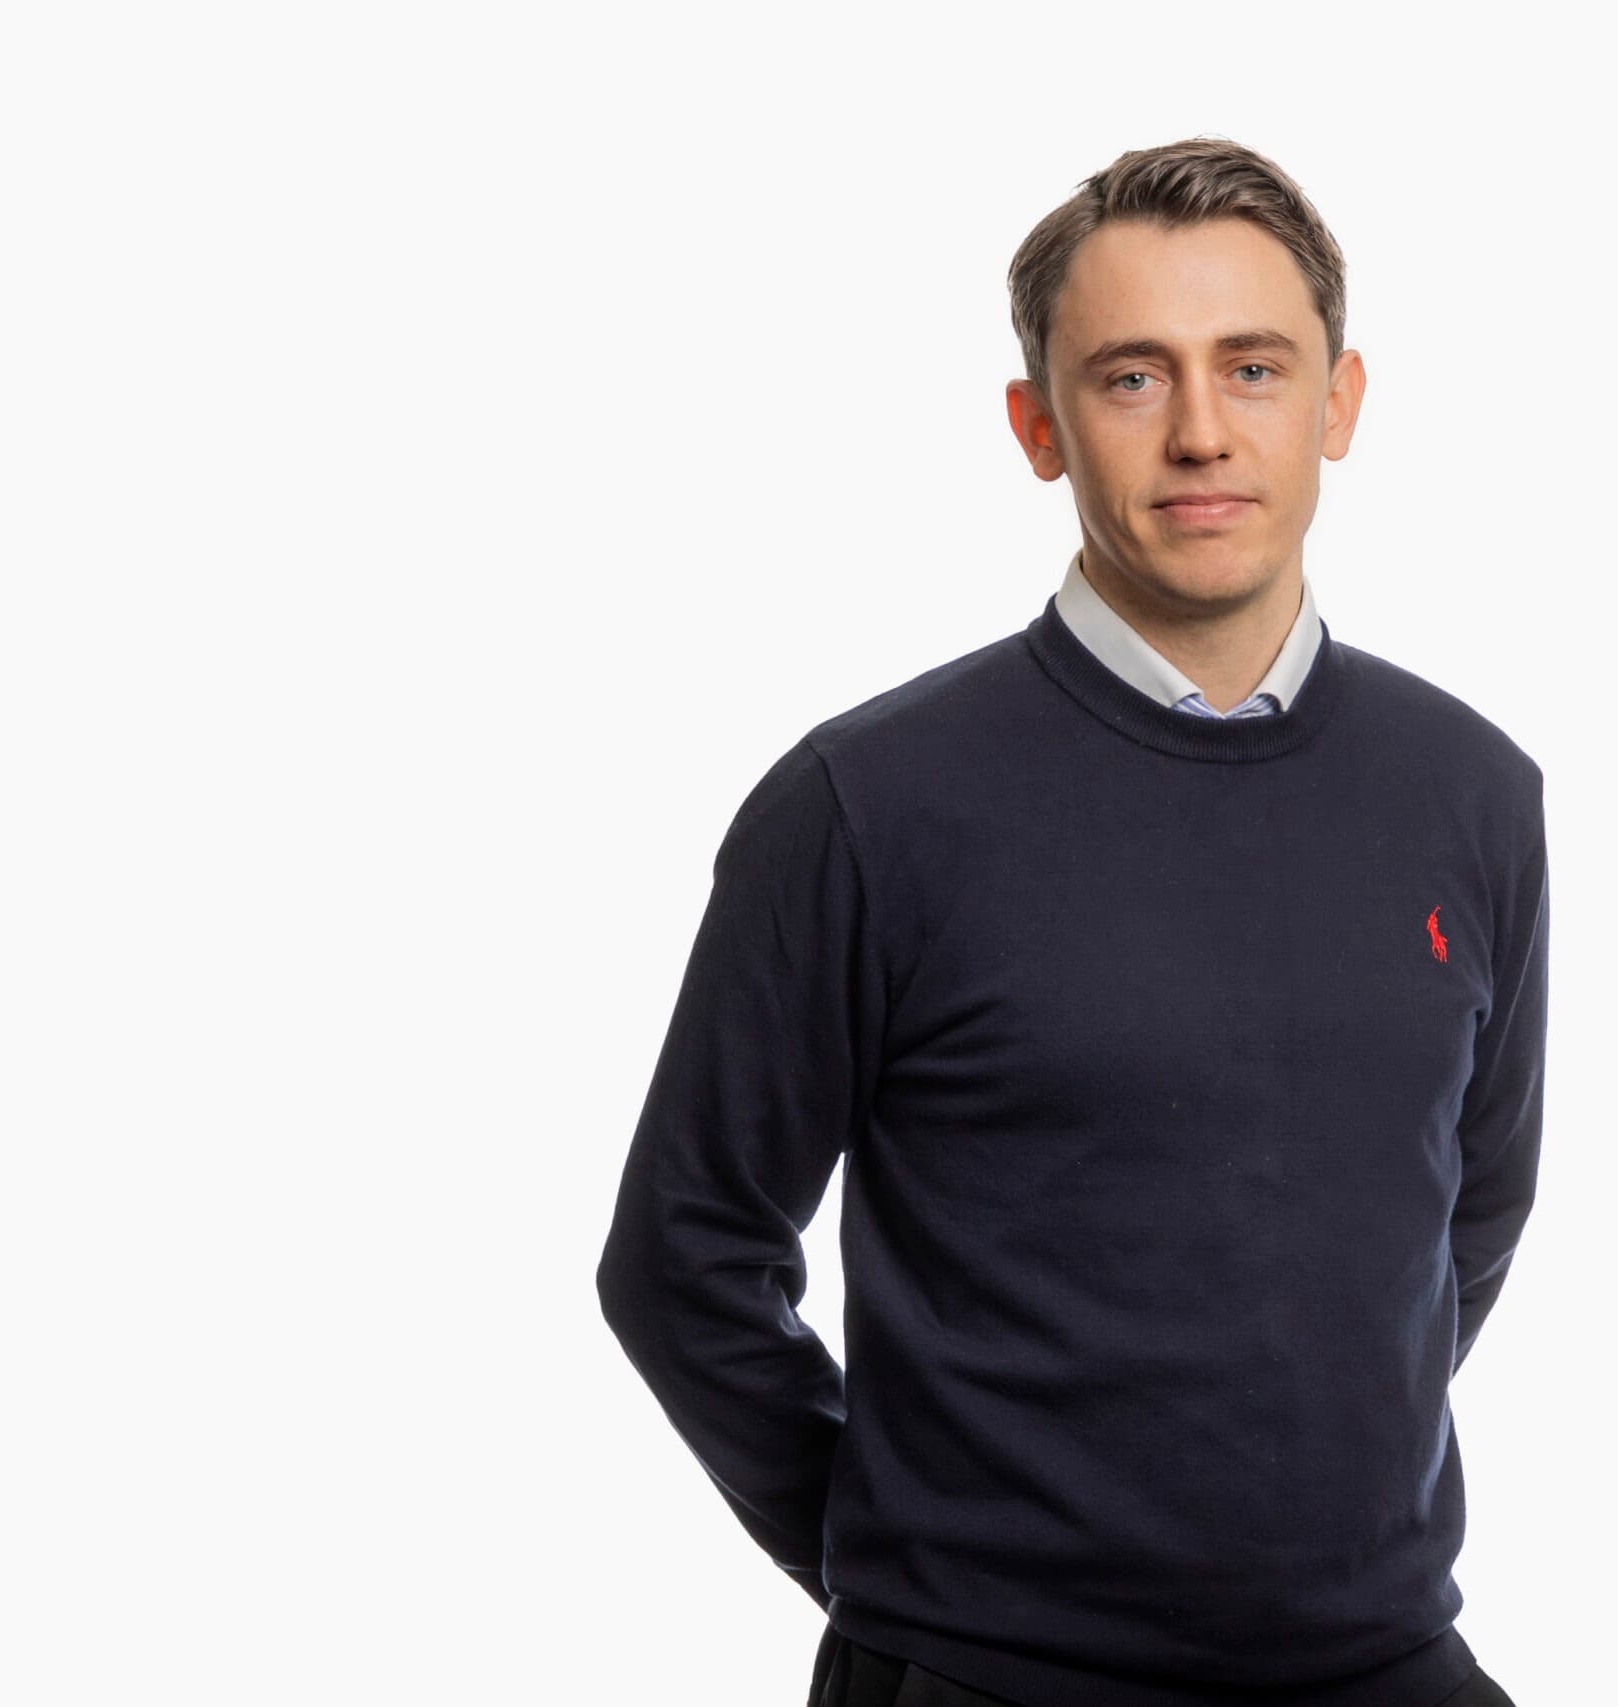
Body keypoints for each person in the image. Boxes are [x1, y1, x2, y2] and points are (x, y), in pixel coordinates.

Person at [596, 136, 1546, 1707]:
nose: (1200, 431)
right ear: (1038, 426)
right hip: (991, 1678)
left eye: (1253, 367)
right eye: (1130, 377)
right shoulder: (866, 805)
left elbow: (1472, 1214)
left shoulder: (1473, 790)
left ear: (1339, 404)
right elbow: (682, 1259)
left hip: (1381, 1660)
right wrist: (901, 1564)